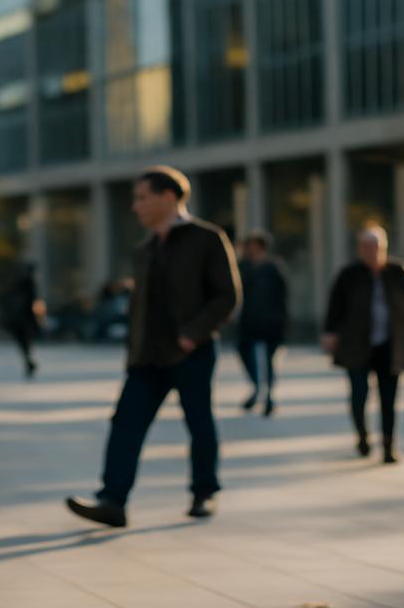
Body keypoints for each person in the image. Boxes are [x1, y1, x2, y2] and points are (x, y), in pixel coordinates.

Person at [65, 167, 240, 528]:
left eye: (142, 197)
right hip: (147, 356)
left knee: (199, 423)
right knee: (125, 423)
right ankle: (112, 501)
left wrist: (193, 333)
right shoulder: (143, 249)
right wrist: (133, 352)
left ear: (168, 197)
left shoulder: (207, 238)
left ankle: (204, 492)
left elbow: (227, 295)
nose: (136, 206)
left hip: (192, 351)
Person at [322, 223, 404, 464]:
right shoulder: (349, 275)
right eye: (366, 246)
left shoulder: (399, 272)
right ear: (359, 249)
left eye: (375, 246)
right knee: (358, 395)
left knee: (389, 398)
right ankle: (362, 436)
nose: (371, 250)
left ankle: (389, 445)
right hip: (356, 344)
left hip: (390, 345)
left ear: (384, 247)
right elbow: (335, 306)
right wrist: (330, 332)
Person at [236, 231, 288, 416]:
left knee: (267, 362)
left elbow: (282, 297)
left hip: (270, 322)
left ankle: (267, 397)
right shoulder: (242, 267)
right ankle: (258, 389)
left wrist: (282, 322)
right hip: (248, 322)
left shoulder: (273, 268)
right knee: (245, 355)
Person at [0, 262, 43, 379]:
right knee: (26, 342)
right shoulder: (30, 284)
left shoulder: (14, 283)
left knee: (23, 342)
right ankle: (28, 361)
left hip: (17, 319)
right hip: (26, 318)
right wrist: (39, 317)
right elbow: (36, 302)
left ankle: (28, 360)